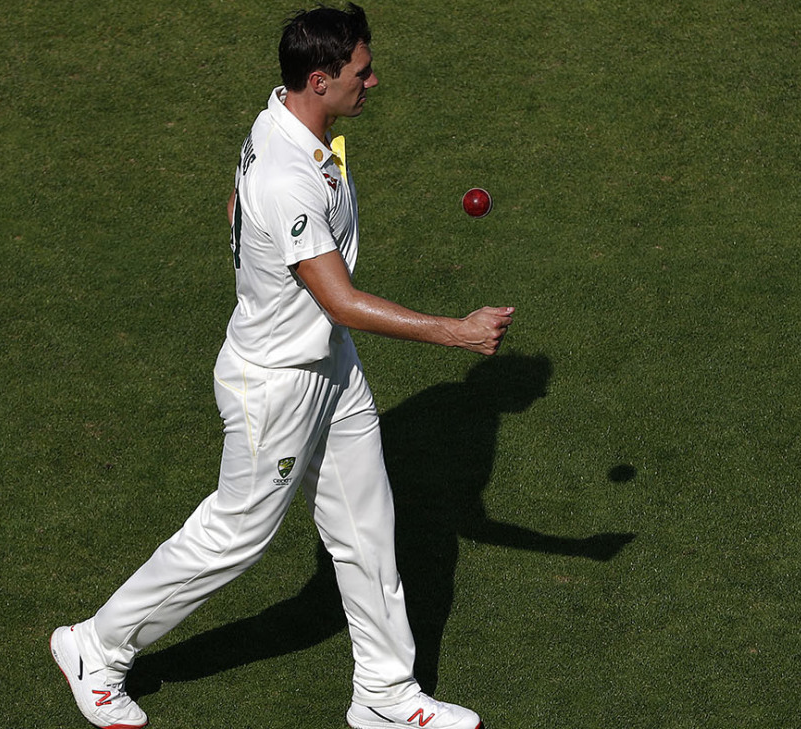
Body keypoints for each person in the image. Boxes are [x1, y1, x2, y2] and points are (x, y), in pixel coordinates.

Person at [49, 5, 511, 729]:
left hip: (329, 364)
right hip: (278, 382)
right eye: (362, 72)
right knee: (237, 533)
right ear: (320, 79)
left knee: (366, 526)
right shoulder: (288, 175)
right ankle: (95, 646)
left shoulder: (285, 124)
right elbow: (341, 299)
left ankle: (386, 694)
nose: (373, 81)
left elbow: (239, 207)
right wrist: (458, 331)